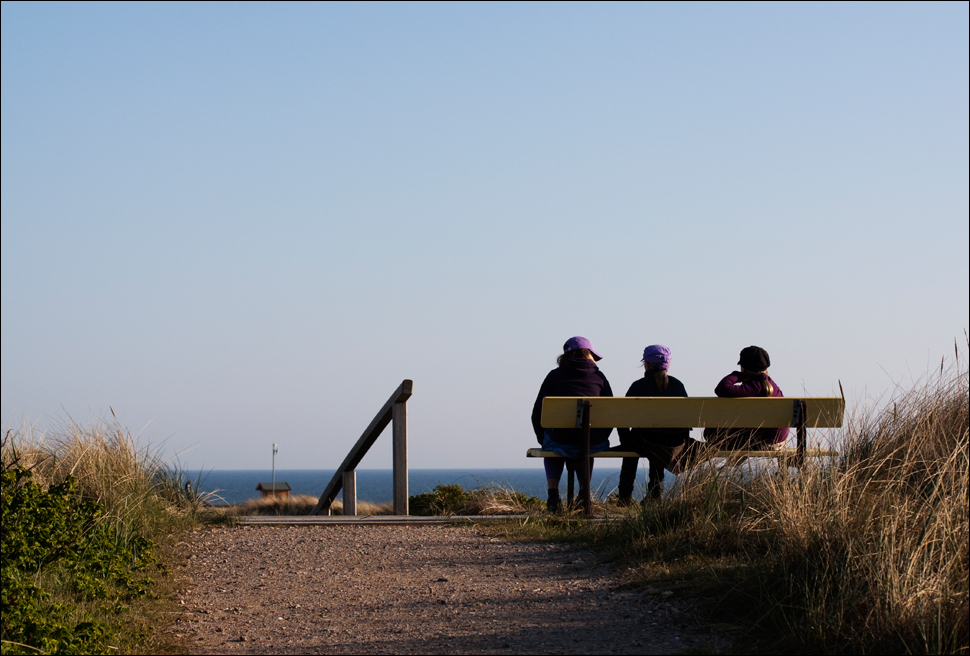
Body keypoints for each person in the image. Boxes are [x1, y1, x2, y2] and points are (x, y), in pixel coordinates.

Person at [531, 336, 614, 512]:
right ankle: (584, 493)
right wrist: (602, 436)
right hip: (592, 442)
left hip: (559, 440)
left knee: (552, 443)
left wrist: (542, 438)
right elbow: (611, 412)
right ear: (588, 354)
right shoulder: (599, 377)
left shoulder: (554, 376)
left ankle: (553, 494)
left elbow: (538, 412)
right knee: (587, 440)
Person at [615, 345, 691, 505]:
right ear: (668, 364)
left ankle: (624, 496)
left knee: (635, 444)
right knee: (659, 443)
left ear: (646, 364)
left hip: (643, 442)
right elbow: (686, 419)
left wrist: (624, 438)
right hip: (671, 444)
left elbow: (621, 416)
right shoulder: (678, 386)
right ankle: (655, 495)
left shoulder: (638, 386)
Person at [703, 345, 789, 448]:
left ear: (744, 368)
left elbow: (722, 389)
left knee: (711, 432)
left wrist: (737, 375)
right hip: (779, 440)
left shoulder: (755, 387)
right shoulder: (770, 385)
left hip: (765, 442)